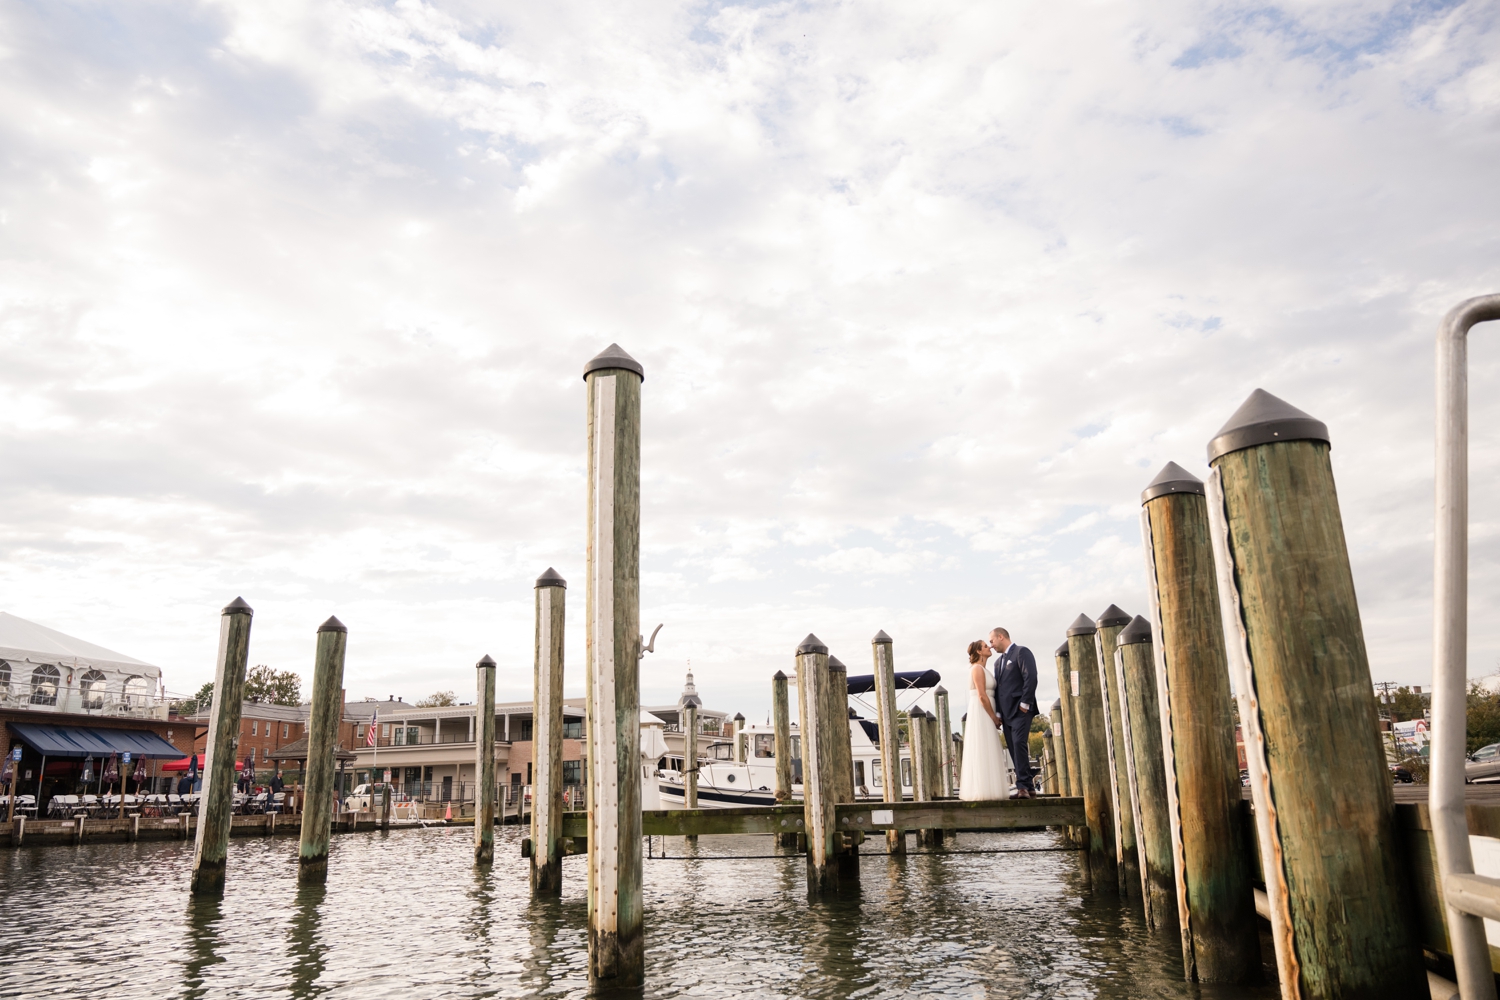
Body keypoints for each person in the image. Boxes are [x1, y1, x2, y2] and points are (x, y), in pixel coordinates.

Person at [959, 639, 1014, 800]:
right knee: (982, 745)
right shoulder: (976, 669)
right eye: (985, 646)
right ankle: (981, 790)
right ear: (978, 652)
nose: (989, 647)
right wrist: (993, 716)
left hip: (987, 709)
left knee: (989, 746)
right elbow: (982, 696)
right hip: (981, 710)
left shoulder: (985, 669)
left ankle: (991, 789)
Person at [991, 627, 1039, 798]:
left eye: (992, 641)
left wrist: (1025, 703)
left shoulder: (1021, 652)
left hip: (1021, 709)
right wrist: (998, 713)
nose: (991, 645)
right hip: (1006, 713)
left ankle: (1022, 787)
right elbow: (998, 689)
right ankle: (1028, 786)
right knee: (1012, 747)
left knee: (1019, 743)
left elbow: (1031, 676)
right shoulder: (997, 663)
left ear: (1001, 637)